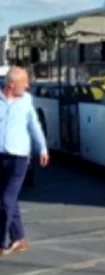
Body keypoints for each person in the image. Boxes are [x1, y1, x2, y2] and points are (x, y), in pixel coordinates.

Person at [0, 67, 49, 257]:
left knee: (6, 200)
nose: (28, 85)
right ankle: (19, 238)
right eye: (24, 82)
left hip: (19, 157)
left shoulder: (27, 101)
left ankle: (2, 242)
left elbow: (34, 125)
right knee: (8, 198)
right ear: (11, 85)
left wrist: (42, 148)